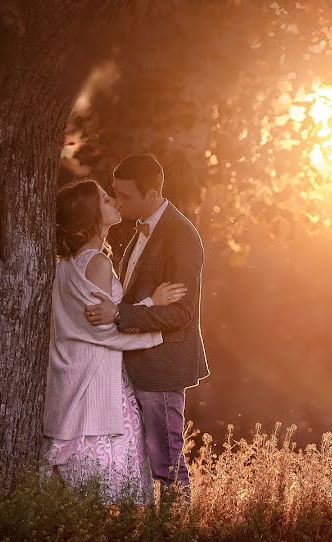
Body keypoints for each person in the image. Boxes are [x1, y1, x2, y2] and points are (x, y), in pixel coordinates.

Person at [42, 178, 187, 504]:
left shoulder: (67, 265)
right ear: (93, 214)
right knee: (101, 475)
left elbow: (96, 321)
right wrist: (153, 308)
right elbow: (102, 329)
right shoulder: (97, 263)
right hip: (93, 377)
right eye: (106, 200)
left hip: (74, 371)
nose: (115, 202)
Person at [84, 154, 210, 500]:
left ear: (152, 195)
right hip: (137, 361)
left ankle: (175, 538)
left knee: (166, 461)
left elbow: (181, 313)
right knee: (144, 458)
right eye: (116, 194)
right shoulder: (140, 228)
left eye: (126, 196)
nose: (118, 202)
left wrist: (120, 316)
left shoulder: (181, 237)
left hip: (162, 367)